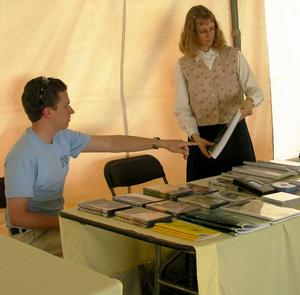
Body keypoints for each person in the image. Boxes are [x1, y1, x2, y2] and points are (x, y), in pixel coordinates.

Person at [4, 76, 191, 257]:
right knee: (105, 245)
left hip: (57, 224)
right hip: (30, 237)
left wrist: (161, 143)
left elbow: (112, 144)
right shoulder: (22, 155)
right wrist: (71, 220)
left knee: (114, 240)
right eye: (66, 105)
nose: (72, 110)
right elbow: (18, 217)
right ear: (48, 112)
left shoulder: (63, 137)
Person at [174, 5, 264, 182]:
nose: (209, 35)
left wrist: (250, 102)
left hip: (235, 134)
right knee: (203, 197)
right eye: (203, 31)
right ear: (192, 33)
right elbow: (182, 108)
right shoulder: (183, 65)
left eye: (212, 29)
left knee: (245, 192)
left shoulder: (234, 55)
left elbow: (255, 90)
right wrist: (195, 136)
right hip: (202, 140)